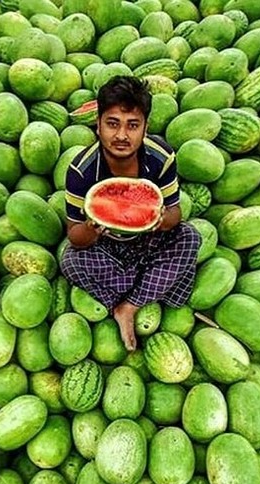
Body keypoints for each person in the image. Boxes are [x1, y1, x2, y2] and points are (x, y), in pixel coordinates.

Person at [60, 75, 201, 352]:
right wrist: (91, 229)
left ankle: (129, 304)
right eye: (112, 124)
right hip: (106, 248)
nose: (122, 136)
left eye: (132, 126)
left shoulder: (162, 156)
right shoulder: (81, 171)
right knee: (69, 262)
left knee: (190, 237)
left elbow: (175, 214)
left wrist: (160, 221)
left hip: (151, 241)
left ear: (145, 128)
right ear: (98, 125)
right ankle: (153, 286)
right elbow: (75, 236)